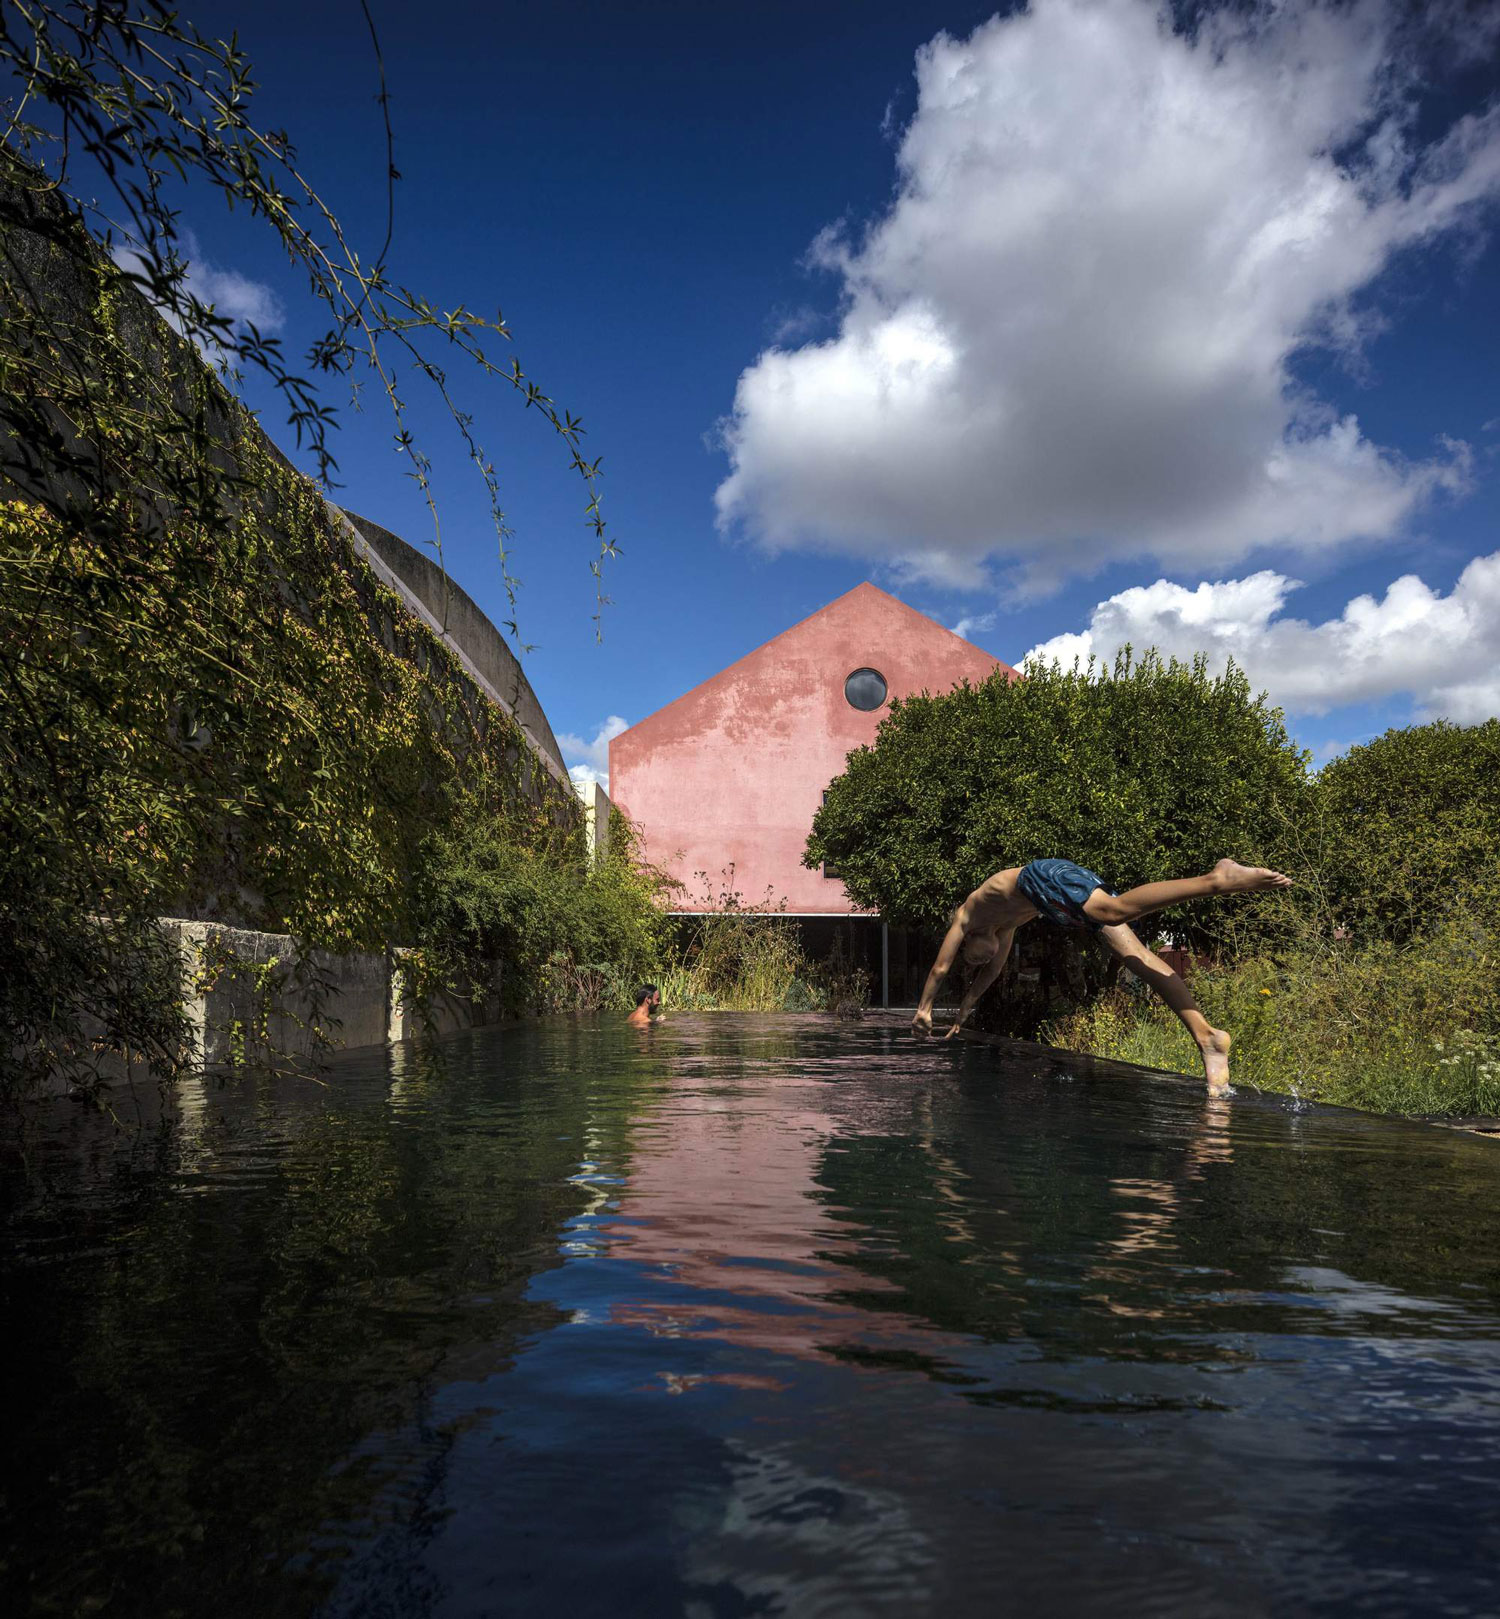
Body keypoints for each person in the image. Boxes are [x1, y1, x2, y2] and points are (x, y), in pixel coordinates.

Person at [912, 858, 1292, 1093]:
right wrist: (963, 1012)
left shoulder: (968, 917)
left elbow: (940, 967)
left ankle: (1217, 879)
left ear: (967, 943)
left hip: (1041, 877)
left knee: (1114, 910)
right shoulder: (1004, 928)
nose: (978, 963)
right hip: (1051, 901)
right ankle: (1207, 1038)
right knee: (1133, 955)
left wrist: (924, 1009)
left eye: (972, 960)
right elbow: (991, 975)